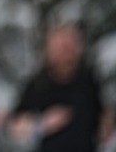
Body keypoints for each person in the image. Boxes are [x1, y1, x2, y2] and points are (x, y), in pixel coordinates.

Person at [10, 23, 111, 152]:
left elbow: (102, 116)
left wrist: (106, 125)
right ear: (48, 50)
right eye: (60, 47)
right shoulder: (39, 85)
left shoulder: (89, 80)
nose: (66, 52)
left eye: (70, 45)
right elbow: (14, 126)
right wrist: (40, 124)